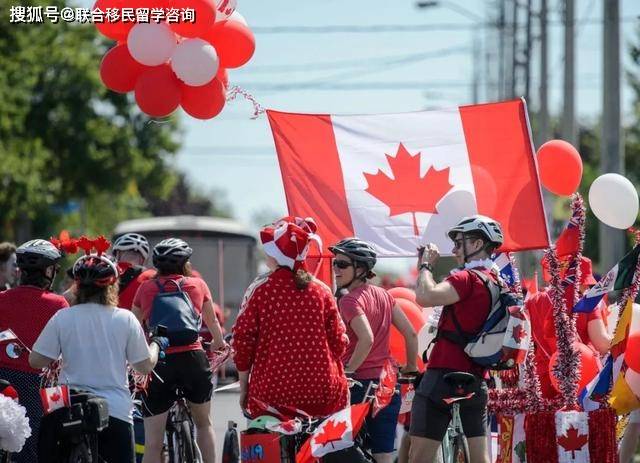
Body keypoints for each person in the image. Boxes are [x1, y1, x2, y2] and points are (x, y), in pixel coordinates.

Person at [29, 250, 164, 463]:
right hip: (115, 412)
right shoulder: (125, 319)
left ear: (78, 286)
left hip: (70, 410)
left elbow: (36, 361)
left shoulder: (63, 317)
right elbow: (144, 366)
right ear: (112, 285)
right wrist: (156, 345)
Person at [410, 215, 506, 463]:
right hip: (477, 378)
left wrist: (425, 266)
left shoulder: (467, 278)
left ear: (476, 244)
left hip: (442, 374)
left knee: (418, 457)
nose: (453, 250)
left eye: (458, 243)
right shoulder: (496, 281)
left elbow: (425, 296)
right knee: (480, 457)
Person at [233, 217, 349, 418]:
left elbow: (242, 343)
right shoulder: (322, 291)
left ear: (276, 257)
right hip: (322, 394)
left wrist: (244, 388)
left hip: (272, 395)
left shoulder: (260, 290)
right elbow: (339, 343)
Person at [132, 238, 225, 463]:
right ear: (185, 263)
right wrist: (219, 343)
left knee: (153, 443)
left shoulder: (145, 288)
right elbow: (213, 325)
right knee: (204, 424)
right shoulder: (197, 285)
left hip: (160, 361)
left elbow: (133, 327)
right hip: (193, 359)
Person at [330, 237, 418, 463]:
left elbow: (366, 338)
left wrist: (348, 371)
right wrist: (410, 367)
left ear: (360, 268)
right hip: (387, 384)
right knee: (384, 453)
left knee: (343, 451)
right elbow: (411, 334)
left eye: (342, 264)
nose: (335, 269)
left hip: (359, 384)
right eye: (335, 263)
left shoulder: (349, 301)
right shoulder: (385, 295)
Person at [0, 239, 69, 463]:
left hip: (2, 379)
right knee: (35, 447)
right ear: (49, 271)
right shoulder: (58, 304)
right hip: (39, 384)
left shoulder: (2, 299)